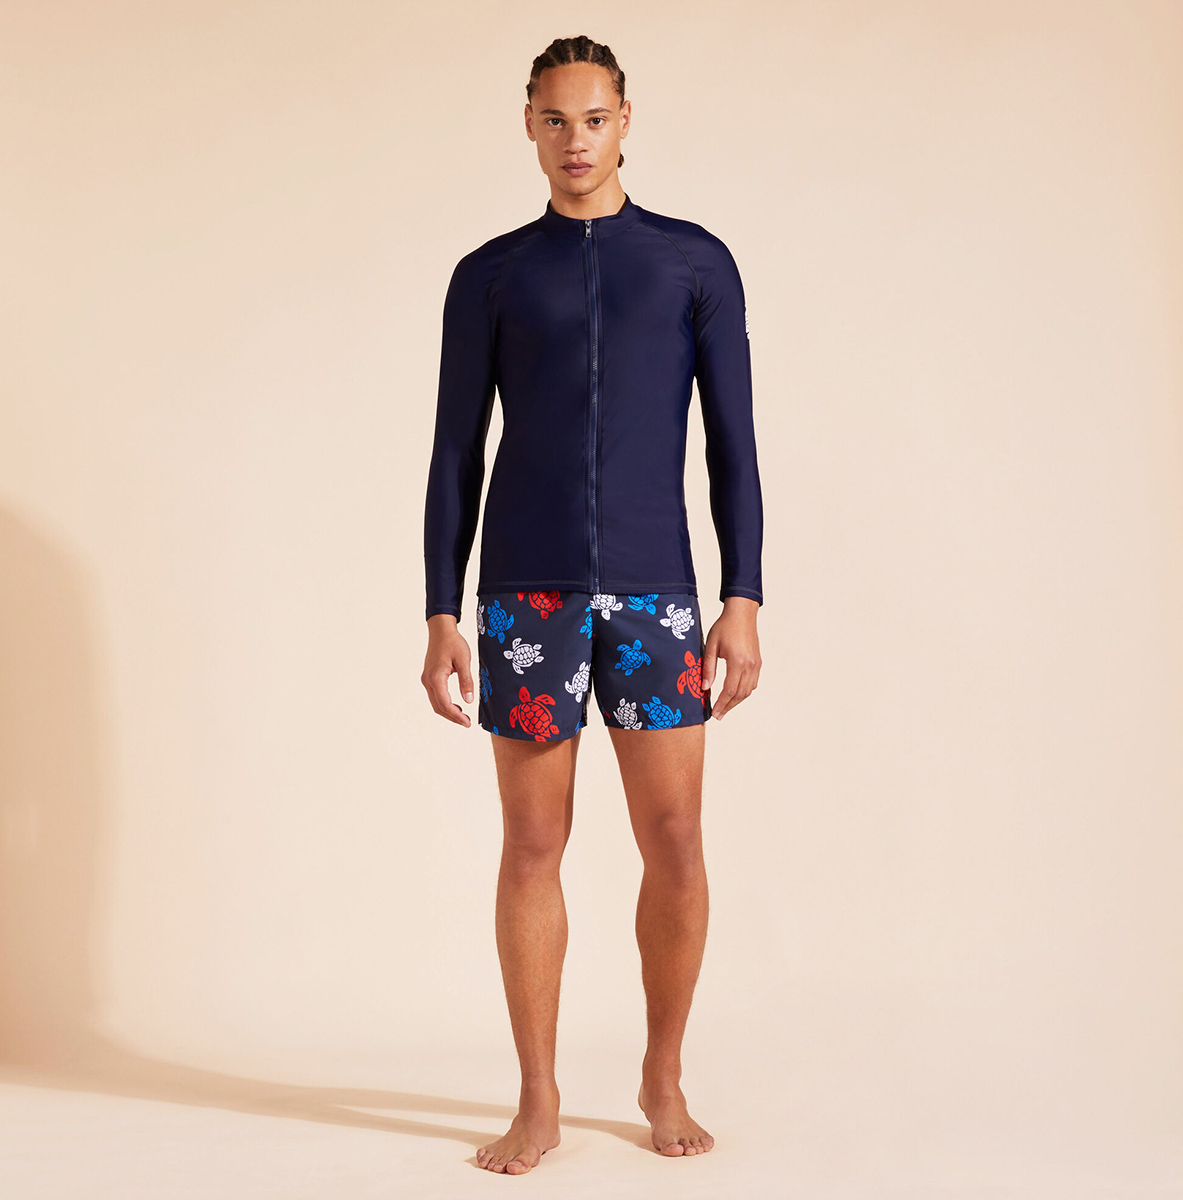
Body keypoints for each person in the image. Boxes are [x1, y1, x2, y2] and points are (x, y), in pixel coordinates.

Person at [421, 34, 764, 1175]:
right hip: (526, 599)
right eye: (556, 119)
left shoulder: (693, 264)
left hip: (660, 596)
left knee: (676, 840)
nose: (577, 140)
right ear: (529, 124)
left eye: (596, 118)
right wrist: (440, 610)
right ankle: (538, 1096)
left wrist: (743, 596)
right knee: (532, 844)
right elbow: (454, 451)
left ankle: (663, 1073)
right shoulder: (492, 275)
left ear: (627, 120)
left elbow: (733, 446)